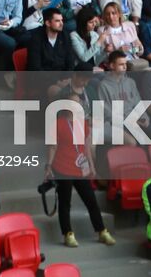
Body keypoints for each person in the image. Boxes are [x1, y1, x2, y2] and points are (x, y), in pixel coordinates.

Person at [49, 86, 115, 248]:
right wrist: (48, 167)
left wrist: (92, 166)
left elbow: (86, 146)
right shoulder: (57, 124)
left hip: (79, 167)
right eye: (73, 103)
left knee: (91, 200)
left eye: (78, 103)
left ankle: (101, 231)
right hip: (62, 167)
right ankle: (67, 234)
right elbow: (52, 146)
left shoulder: (83, 123)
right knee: (65, 203)